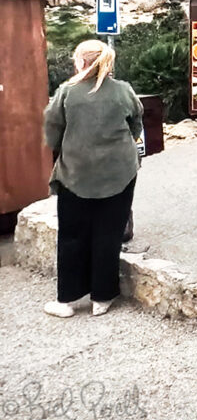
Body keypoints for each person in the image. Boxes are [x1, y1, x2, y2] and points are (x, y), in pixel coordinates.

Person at [42, 40, 143, 318]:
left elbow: (52, 130)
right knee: (108, 233)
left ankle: (67, 300)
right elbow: (136, 122)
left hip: (76, 173)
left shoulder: (67, 92)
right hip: (119, 172)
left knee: (72, 234)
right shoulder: (123, 90)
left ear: (80, 62)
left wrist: (66, 146)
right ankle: (102, 297)